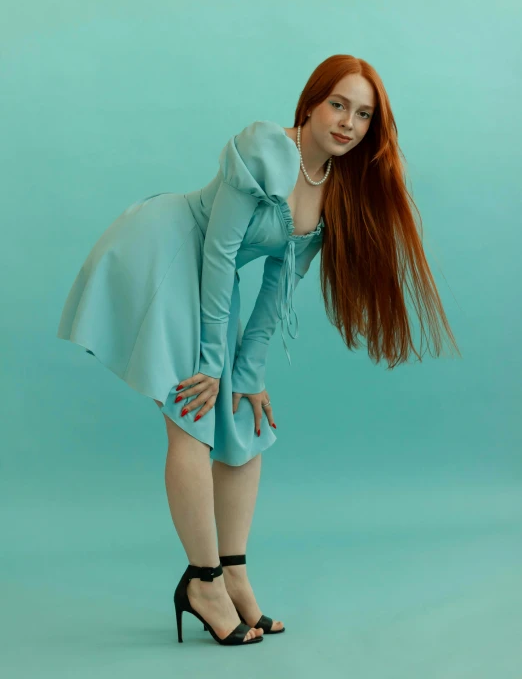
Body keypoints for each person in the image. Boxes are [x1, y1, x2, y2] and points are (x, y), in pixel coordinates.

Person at [56, 54, 461, 646]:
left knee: (243, 422)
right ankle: (203, 582)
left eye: (363, 115)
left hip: (209, 284)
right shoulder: (267, 149)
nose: (348, 122)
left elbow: (278, 286)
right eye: (338, 105)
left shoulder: (334, 191)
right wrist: (209, 363)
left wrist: (246, 373)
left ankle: (235, 574)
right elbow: (220, 252)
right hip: (168, 254)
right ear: (310, 105)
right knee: (191, 417)